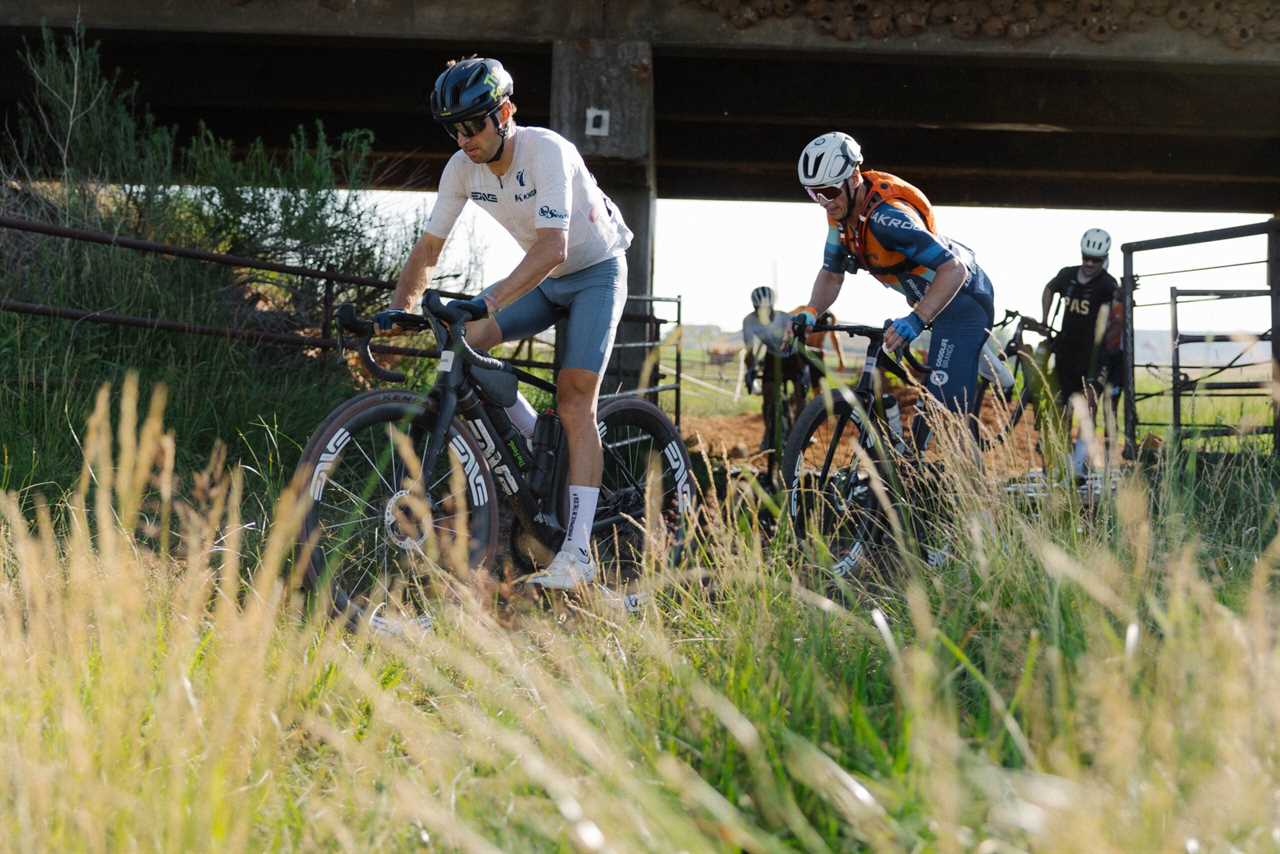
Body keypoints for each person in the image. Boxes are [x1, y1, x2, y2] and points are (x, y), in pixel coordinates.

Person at [378, 57, 633, 589]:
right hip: (546, 278)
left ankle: (579, 554)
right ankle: (533, 437)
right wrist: (402, 310)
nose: (465, 138)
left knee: (574, 396)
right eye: (454, 128)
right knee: (463, 341)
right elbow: (428, 249)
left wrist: (490, 297)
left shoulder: (546, 151)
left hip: (594, 271)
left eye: (474, 124)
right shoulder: (460, 168)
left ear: (505, 113)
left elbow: (553, 246)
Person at [792, 131, 997, 449]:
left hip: (963, 302)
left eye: (829, 191)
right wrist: (811, 310)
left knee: (943, 414)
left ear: (854, 177)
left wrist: (916, 319)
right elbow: (831, 274)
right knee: (917, 412)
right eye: (813, 194)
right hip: (929, 303)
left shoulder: (887, 219)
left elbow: (954, 269)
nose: (824, 202)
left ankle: (971, 490)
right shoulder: (841, 216)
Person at [1040, 227, 1121, 475]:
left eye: (1095, 260)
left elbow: (1116, 317)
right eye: (1085, 257)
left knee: (1089, 408)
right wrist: (1044, 321)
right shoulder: (1067, 275)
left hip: (1092, 357)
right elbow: (1049, 289)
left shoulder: (1108, 284)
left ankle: (1080, 462)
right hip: (1065, 351)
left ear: (1104, 258)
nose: (1088, 263)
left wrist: (1109, 345)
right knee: (1061, 407)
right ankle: (1062, 462)